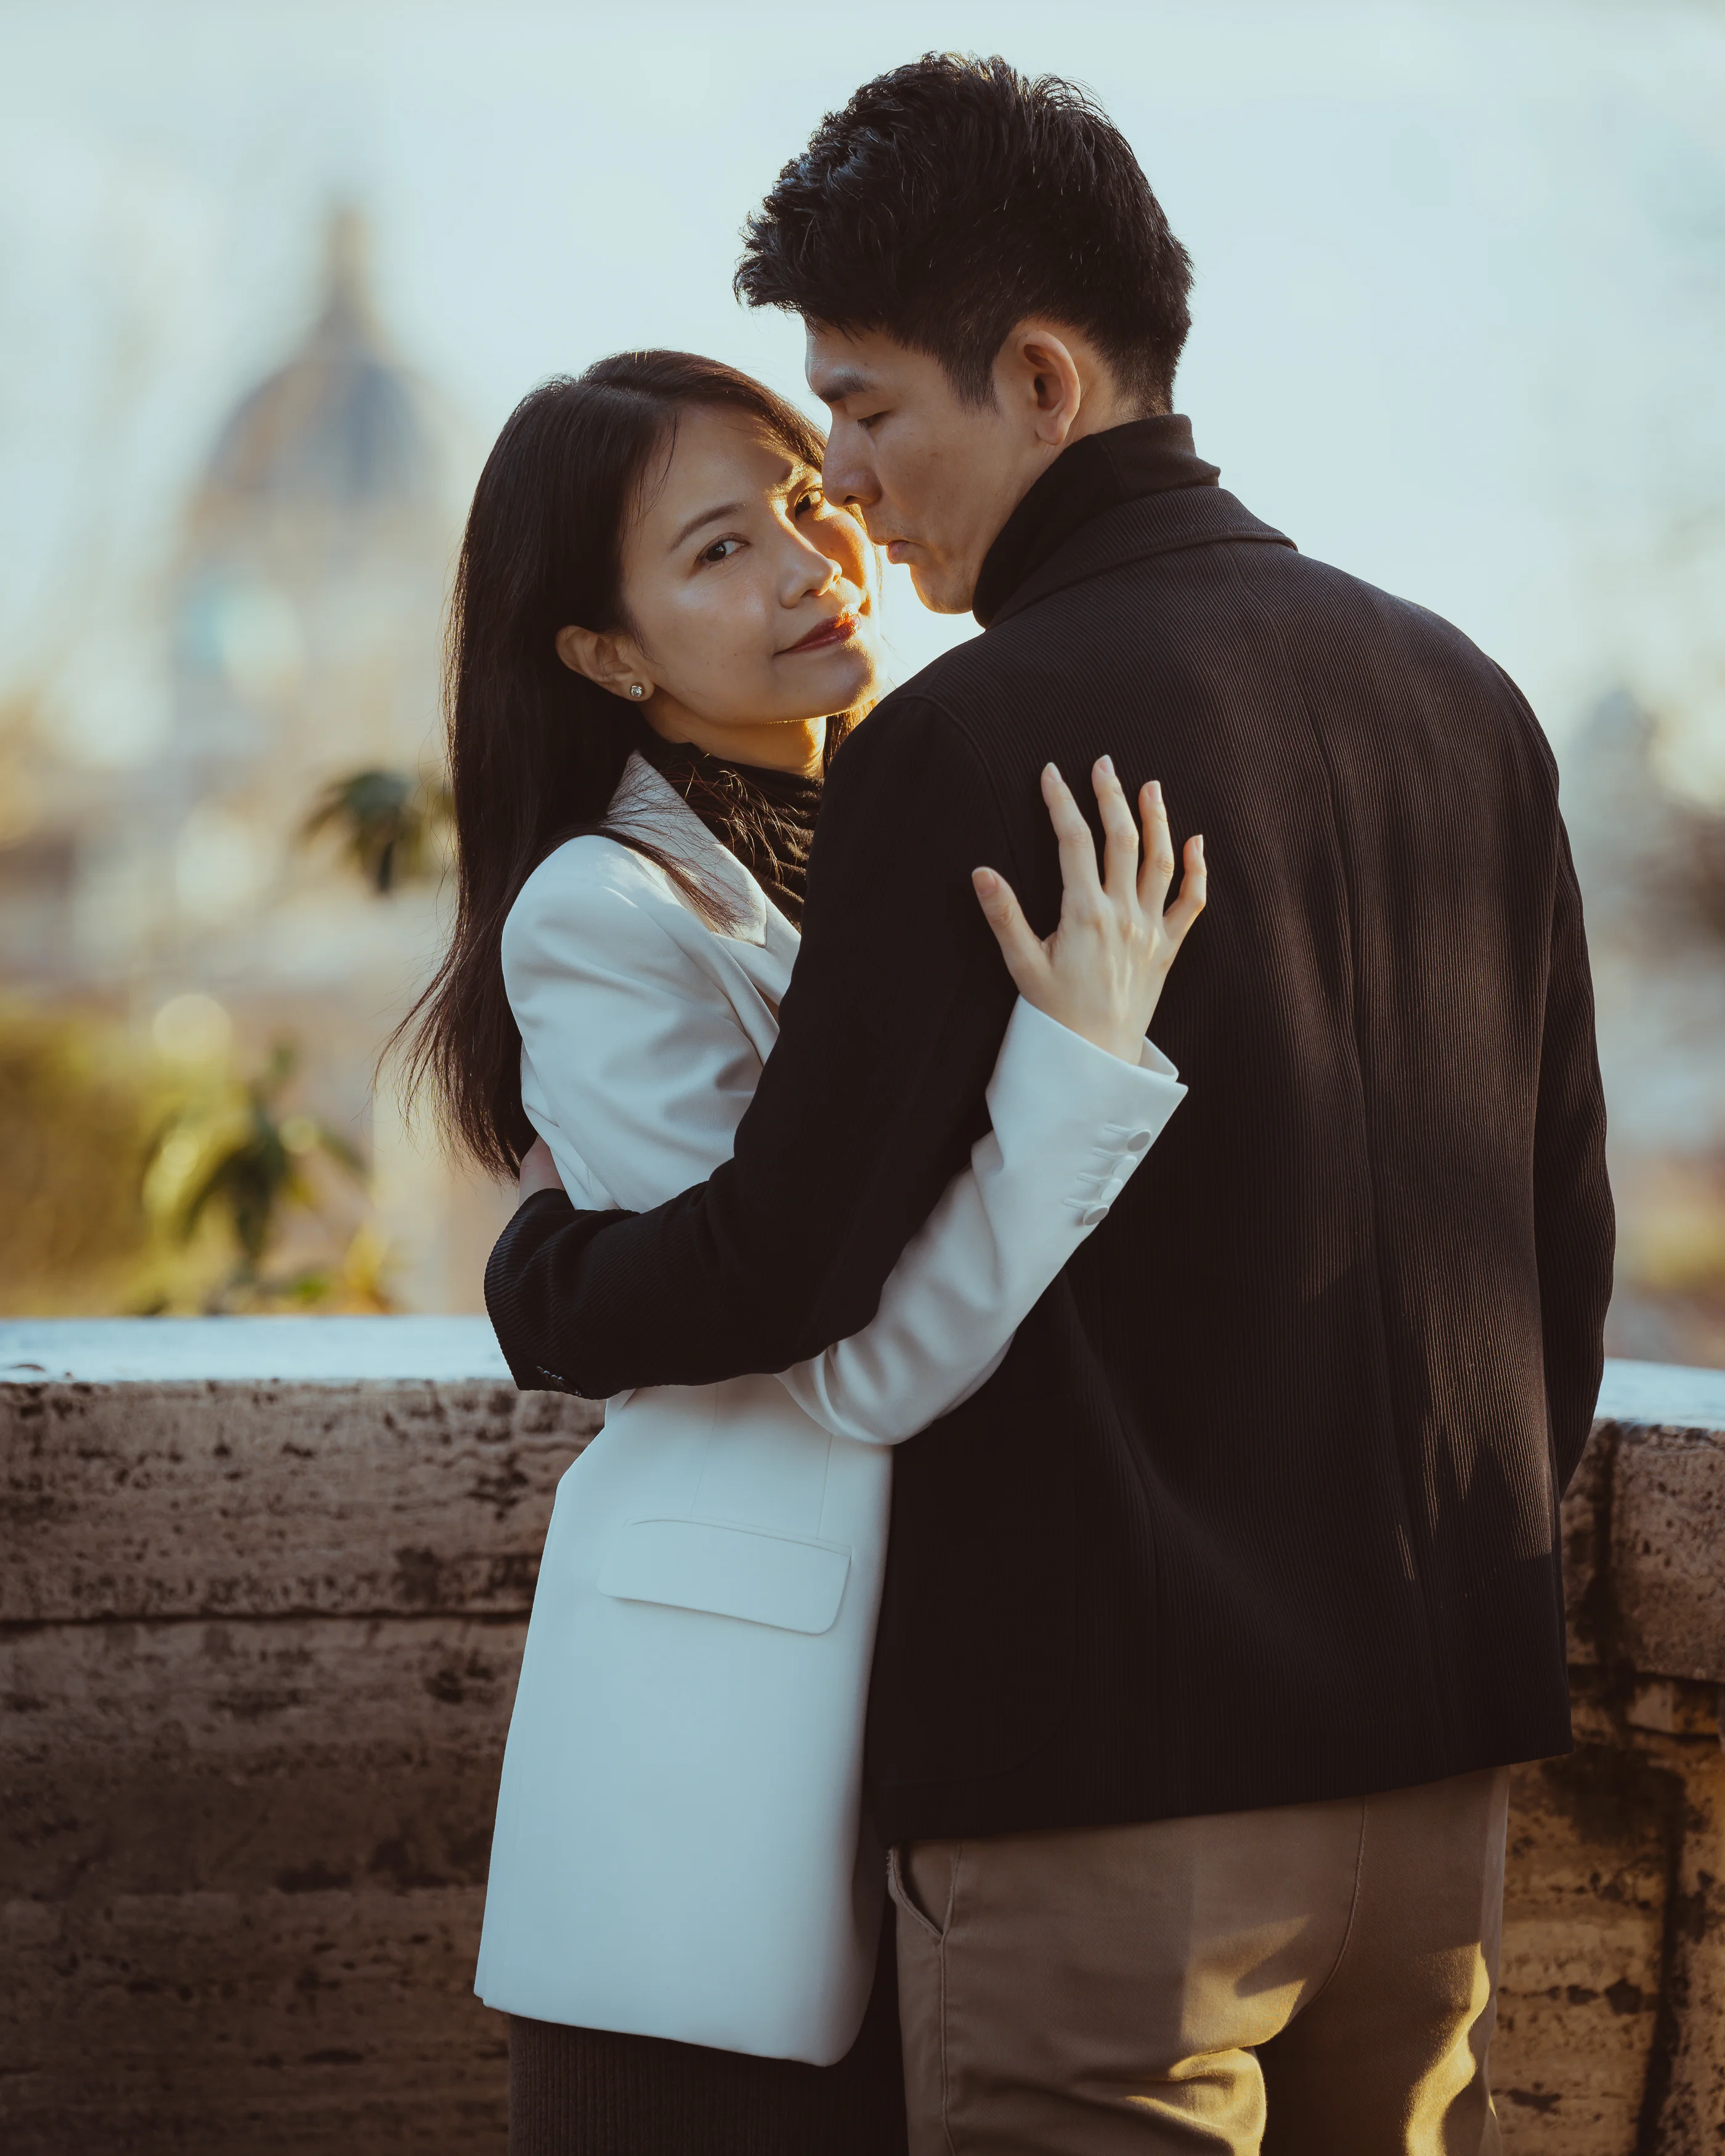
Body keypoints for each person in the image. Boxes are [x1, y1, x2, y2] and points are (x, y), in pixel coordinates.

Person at [485, 55, 1617, 2156]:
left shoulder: (975, 738)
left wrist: (547, 1278)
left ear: (1039, 376)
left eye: (869, 411)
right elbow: (1555, 1247)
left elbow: (793, 1272)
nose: (853, 484)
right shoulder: (1470, 694)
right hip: (1442, 1780)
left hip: (1110, 1808)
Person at [399, 347, 1204, 2154]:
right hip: (719, 1777)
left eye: (807, 504)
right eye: (716, 552)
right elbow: (845, 1360)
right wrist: (1077, 1075)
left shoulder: (907, 834)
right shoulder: (607, 913)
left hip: (948, 1752)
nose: (805, 563)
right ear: (605, 656)